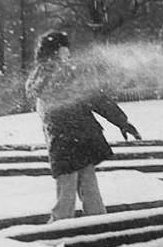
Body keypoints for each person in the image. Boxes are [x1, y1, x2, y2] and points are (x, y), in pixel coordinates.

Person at [25, 31, 142, 222]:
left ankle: (94, 226)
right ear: (55, 51)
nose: (68, 54)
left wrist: (122, 121)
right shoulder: (50, 75)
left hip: (75, 139)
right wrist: (121, 121)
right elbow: (95, 98)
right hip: (69, 140)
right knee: (71, 190)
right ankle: (67, 229)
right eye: (64, 50)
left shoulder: (52, 74)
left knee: (82, 188)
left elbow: (95, 98)